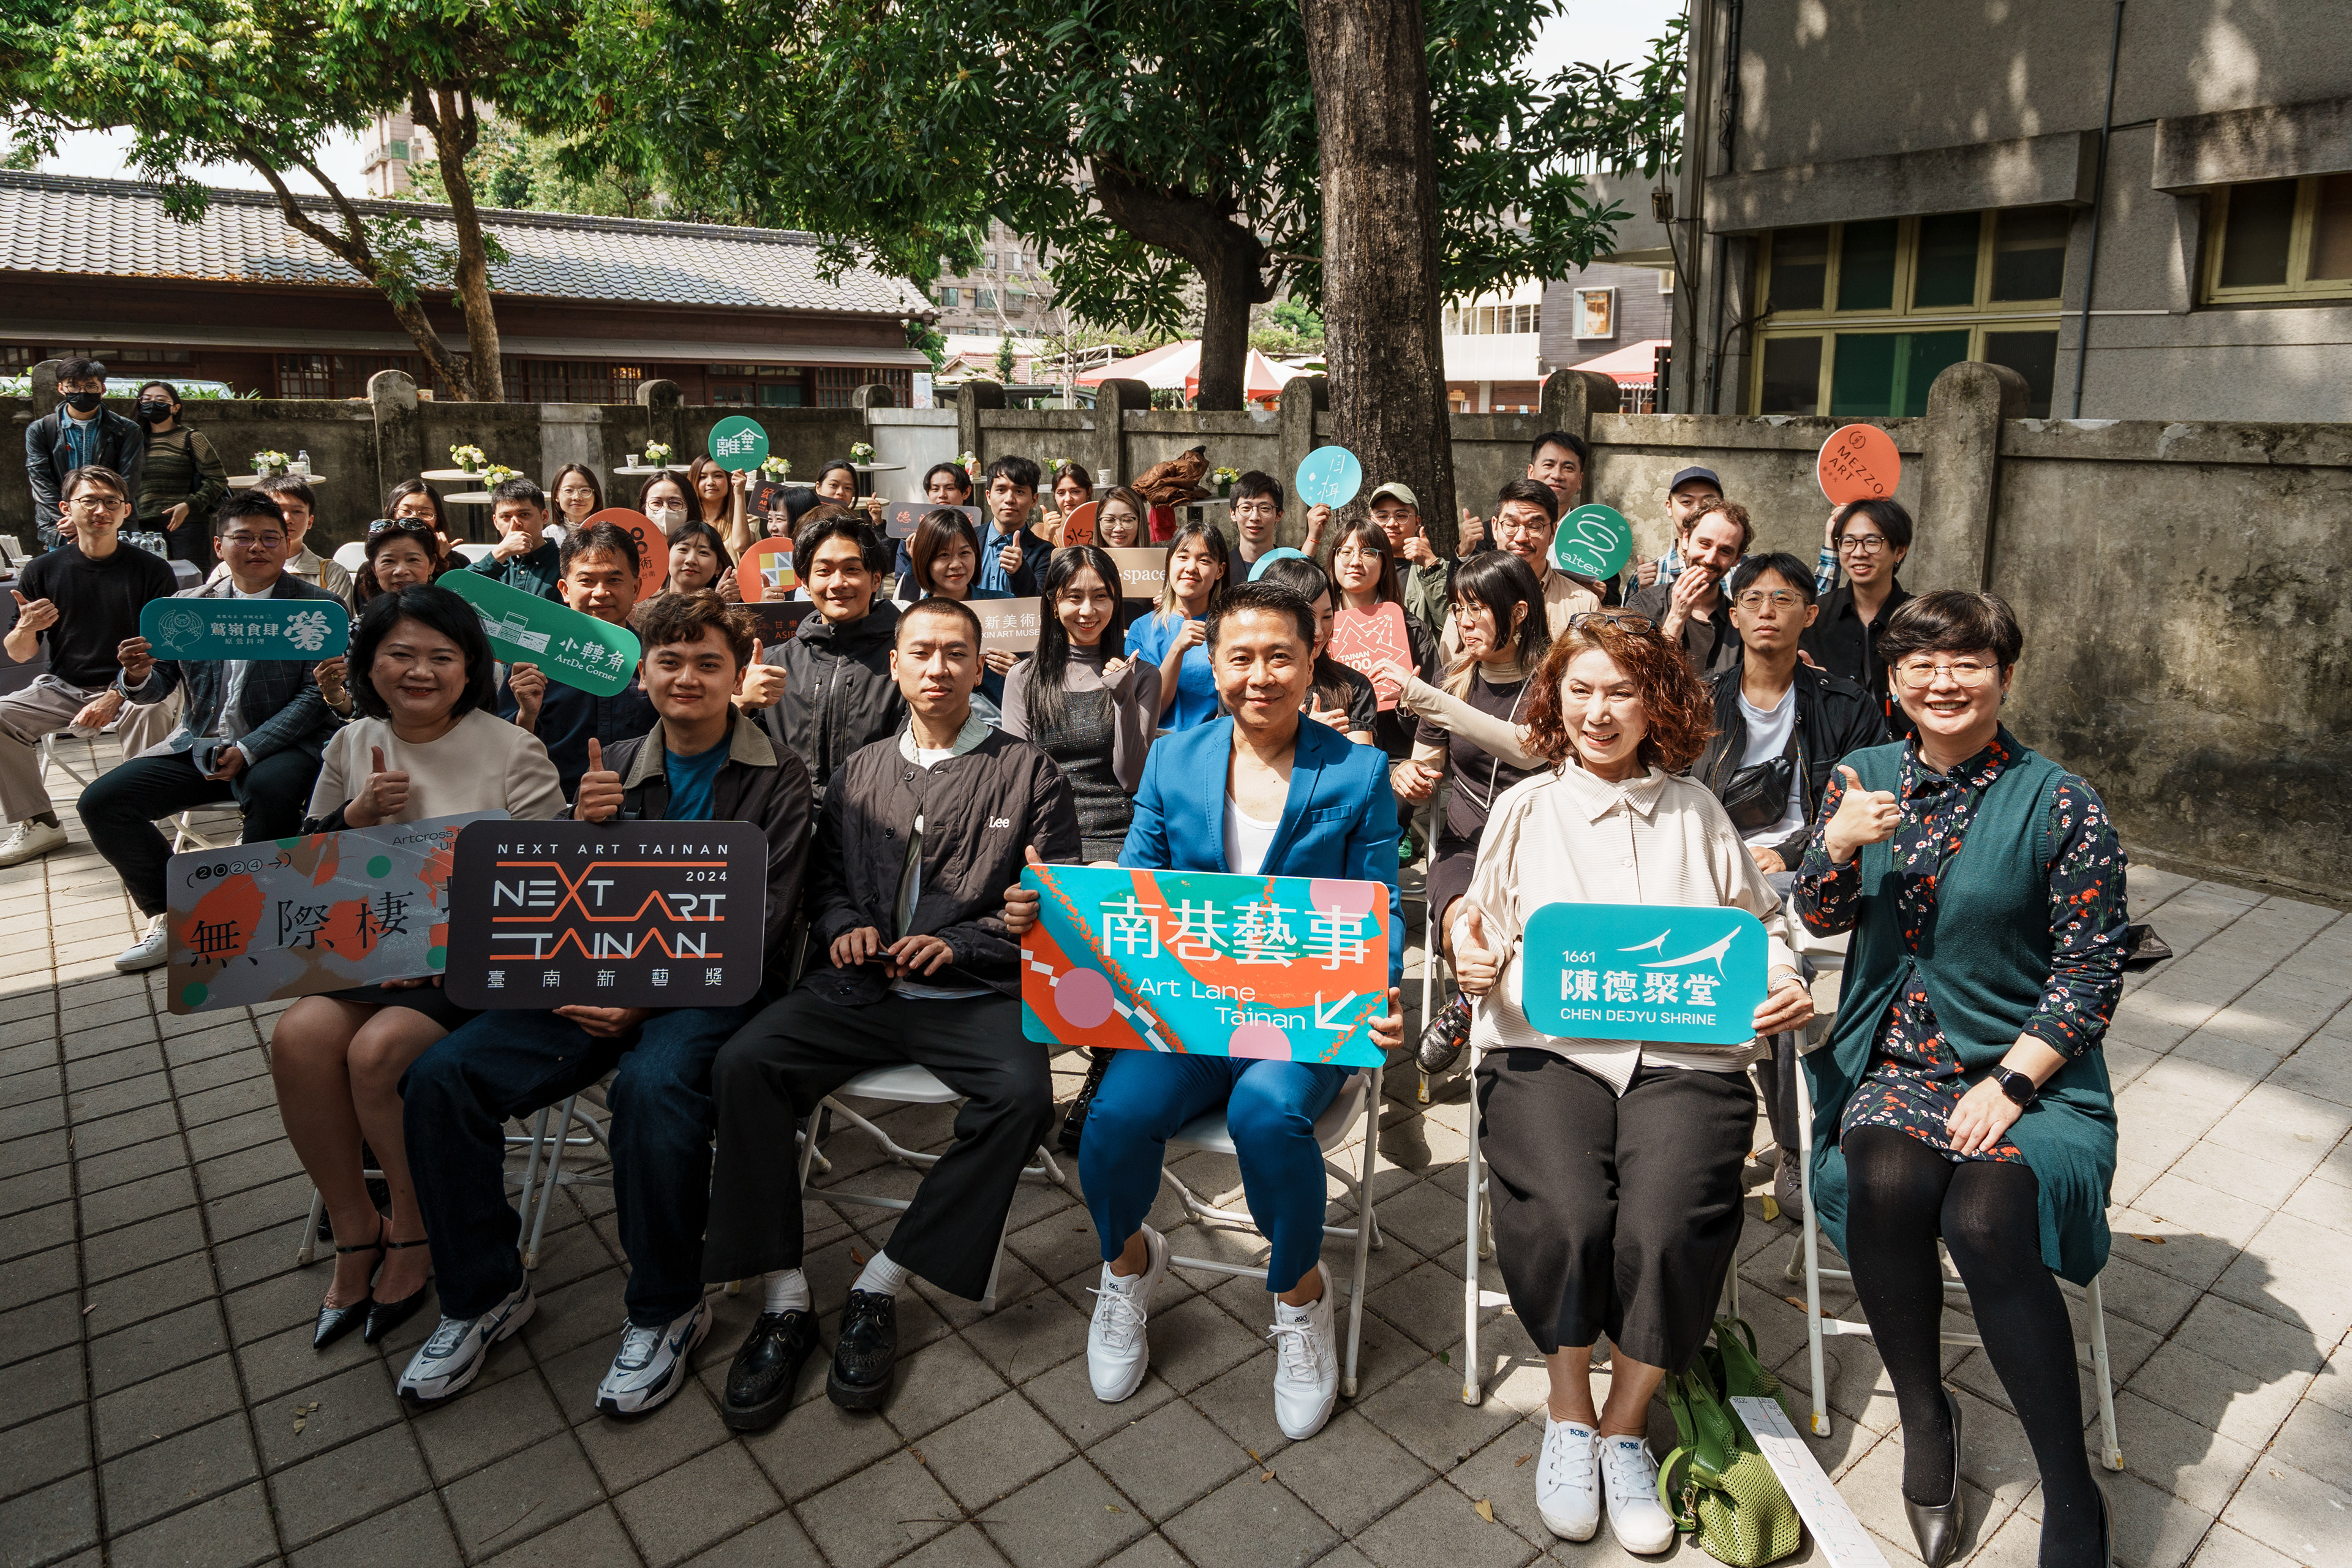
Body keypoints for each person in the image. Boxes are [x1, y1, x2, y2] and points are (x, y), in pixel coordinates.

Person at [1001, 580, 1405, 1442]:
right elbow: (1136, 888)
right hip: (1189, 1012)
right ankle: (1128, 1266)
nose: (1261, 676)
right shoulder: (1175, 758)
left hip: (1304, 1015)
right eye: (1240, 657)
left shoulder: (1359, 771)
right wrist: (1055, 913)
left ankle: (1299, 1295)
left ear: (1312, 663)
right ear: (1212, 666)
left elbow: (1382, 905)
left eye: (1281, 657)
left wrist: (1384, 992)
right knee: (1111, 1119)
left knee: (1267, 1116)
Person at [396, 591, 813, 1411]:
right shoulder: (609, 762)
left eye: (708, 664)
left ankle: (668, 1307)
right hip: (591, 980)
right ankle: (484, 1293)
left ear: (738, 675)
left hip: (710, 993)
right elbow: (556, 895)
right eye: (670, 661)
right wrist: (580, 829)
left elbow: (765, 924)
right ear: (642, 672)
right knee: (441, 1078)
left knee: (652, 1089)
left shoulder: (780, 775)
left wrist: (644, 1004)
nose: (687, 678)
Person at [1450, 611, 1812, 1555]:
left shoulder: (1698, 812)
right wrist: (1467, 948)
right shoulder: (1527, 809)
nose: (1598, 712)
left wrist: (1783, 980)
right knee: (1568, 1213)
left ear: (1658, 704)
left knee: (1666, 1223)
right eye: (1580, 691)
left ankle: (1625, 1425)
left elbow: (1759, 930)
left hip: (1686, 1059)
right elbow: (1479, 921)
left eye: (1621, 692)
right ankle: (1570, 1412)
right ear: (1554, 699)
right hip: (1546, 1051)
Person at [703, 596, 1081, 1430]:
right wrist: (842, 923)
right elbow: (825, 880)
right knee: (743, 1064)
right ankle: (784, 1293)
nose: (938, 667)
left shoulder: (1029, 772)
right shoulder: (861, 770)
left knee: (1023, 1100)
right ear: (896, 665)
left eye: (955, 653)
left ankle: (884, 1280)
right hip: (858, 989)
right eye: (922, 652)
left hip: (974, 991)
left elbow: (1052, 900)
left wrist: (967, 941)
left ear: (979, 667)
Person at [1801, 594, 2122, 1568]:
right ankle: (1926, 1416)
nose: (1943, 682)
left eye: (1968, 663)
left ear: (2004, 676)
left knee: (1984, 1221)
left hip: (2029, 1072)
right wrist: (1837, 843)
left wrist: (2013, 1085)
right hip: (1895, 1062)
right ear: (1895, 681)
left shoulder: (2060, 801)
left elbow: (2090, 971)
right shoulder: (1862, 776)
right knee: (1885, 1182)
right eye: (1921, 665)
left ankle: (2070, 1489)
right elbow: (1819, 915)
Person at [269, 584, 564, 1352]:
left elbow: (550, 882)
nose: (421, 671)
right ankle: (355, 1227)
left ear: (471, 668)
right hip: (369, 952)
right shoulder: (351, 743)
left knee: (378, 1050)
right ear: (369, 663)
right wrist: (354, 819)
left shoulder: (513, 749)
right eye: (400, 653)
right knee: (299, 1037)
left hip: (470, 963)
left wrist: (448, 945)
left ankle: (414, 1228)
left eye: (442, 656)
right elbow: (303, 870)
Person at [1693, 552, 1887, 1213]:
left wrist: (1793, 850)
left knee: (1769, 969)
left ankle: (1796, 1147)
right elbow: (1678, 797)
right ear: (1733, 613)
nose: (1767, 611)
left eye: (1783, 599)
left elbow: (1860, 799)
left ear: (1810, 614)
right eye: (1752, 599)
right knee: (1758, 967)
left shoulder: (1846, 704)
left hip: (1809, 870)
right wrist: (1734, 858)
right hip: (1717, 869)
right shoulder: (1701, 700)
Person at [80, 492, 342, 971]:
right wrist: (136, 673)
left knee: (272, 790)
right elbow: (158, 685)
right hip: (199, 745)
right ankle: (173, 916)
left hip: (284, 745)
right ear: (219, 545)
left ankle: (262, 916)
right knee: (102, 802)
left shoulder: (318, 608)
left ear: (287, 545)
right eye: (244, 538)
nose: (258, 547)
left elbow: (315, 697)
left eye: (270, 538)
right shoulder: (187, 609)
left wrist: (250, 748)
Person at [1000, 545, 1162, 1155]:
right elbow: (1015, 774)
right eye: (1074, 596)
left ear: (1117, 601)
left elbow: (1131, 776)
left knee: (1105, 923)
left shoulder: (1139, 673)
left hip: (1114, 828)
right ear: (1053, 601)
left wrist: (1122, 698)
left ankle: (1105, 1064)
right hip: (1044, 830)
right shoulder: (1024, 677)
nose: (1087, 609)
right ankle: (1023, 1088)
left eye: (1100, 596)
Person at [1384, 552, 1553, 1069]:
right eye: (1458, 608)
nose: (1464, 621)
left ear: (1519, 613)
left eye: (1477, 608)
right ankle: (1474, 1000)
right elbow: (1426, 763)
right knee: (1461, 917)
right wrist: (1408, 775)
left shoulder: (1556, 678)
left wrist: (1427, 698)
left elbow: (1528, 748)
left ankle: (1468, 1007)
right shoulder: (1454, 676)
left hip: (1540, 847)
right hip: (1467, 842)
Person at [0, 466, 178, 867]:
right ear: (66, 508)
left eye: (111, 502)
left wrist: (116, 694)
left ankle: (138, 818)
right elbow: (19, 654)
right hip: (65, 687)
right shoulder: (43, 570)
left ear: (126, 510)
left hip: (140, 685)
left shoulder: (152, 571)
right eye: (90, 501)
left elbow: (166, 654)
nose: (101, 510)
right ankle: (39, 823)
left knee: (150, 709)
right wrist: (26, 628)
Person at [736, 512, 905, 796]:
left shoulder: (906, 660)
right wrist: (740, 705)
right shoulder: (773, 664)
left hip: (876, 813)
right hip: (790, 814)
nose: (838, 583)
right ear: (805, 583)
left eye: (852, 569)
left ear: (876, 579)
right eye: (824, 571)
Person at [496, 521, 658, 797]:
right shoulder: (533, 662)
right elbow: (498, 751)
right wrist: (526, 715)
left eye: (614, 580)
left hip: (644, 806)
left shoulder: (658, 660)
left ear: (636, 587)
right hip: (554, 806)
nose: (600, 592)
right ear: (564, 589)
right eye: (586, 581)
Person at [1439, 480, 1597, 662]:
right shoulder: (1467, 596)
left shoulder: (1583, 604)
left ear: (1553, 532)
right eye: (1511, 524)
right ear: (1495, 528)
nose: (1521, 538)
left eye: (1534, 527)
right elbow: (1451, 669)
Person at [1802, 497, 1917, 733]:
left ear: (1899, 550)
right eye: (1848, 542)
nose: (1859, 553)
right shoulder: (1815, 615)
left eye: (1872, 542)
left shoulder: (1920, 620)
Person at [1253, 556, 1376, 745]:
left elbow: (1362, 760)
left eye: (1327, 617)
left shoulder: (1355, 687)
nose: (1318, 631)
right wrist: (1307, 732)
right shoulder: (1247, 683)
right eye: (1308, 618)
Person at [900, 507, 1015, 709]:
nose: (956, 564)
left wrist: (1019, 670)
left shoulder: (1006, 607)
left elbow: (1038, 675)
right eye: (944, 555)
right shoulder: (914, 621)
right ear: (925, 560)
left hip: (999, 722)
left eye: (964, 553)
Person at [26, 358, 145, 551]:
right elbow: (40, 481)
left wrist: (93, 516)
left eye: (90, 386)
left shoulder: (126, 430)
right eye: (73, 386)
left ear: (102, 389)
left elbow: (129, 479)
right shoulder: (42, 430)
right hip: (63, 528)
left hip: (111, 524)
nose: (82, 392)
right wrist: (74, 519)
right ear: (61, 388)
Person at [1624, 496, 1748, 677]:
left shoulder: (1742, 623)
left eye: (1725, 551)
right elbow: (1635, 679)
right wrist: (1676, 618)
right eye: (1704, 544)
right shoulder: (1643, 606)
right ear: (1686, 539)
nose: (1710, 559)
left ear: (1737, 559)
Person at [1124, 519, 1229, 731]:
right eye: (1183, 557)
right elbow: (1148, 711)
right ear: (1169, 563)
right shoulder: (1142, 629)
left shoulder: (1230, 627)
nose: (1191, 568)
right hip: (1157, 744)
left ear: (1220, 570)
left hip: (1215, 740)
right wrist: (1177, 649)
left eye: (1204, 560)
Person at [129, 381, 228, 573]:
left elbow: (217, 479)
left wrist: (189, 506)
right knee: (150, 578)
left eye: (161, 400)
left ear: (175, 408)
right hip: (144, 527)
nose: (153, 404)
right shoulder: (132, 440)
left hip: (187, 525)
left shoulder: (191, 437)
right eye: (146, 400)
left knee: (192, 578)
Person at [230, 476, 355, 605]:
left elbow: (338, 616)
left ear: (310, 521)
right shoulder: (229, 568)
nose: (287, 519)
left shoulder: (331, 574)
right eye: (277, 510)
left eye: (297, 511)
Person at [1366, 482, 1454, 632]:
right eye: (1382, 516)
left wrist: (1430, 566)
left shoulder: (1442, 570)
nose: (1392, 523)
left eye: (1401, 516)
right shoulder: (1358, 567)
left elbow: (1450, 627)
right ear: (1370, 522)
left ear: (1417, 523)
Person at [469, 477, 564, 599]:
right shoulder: (495, 564)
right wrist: (500, 553)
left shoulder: (566, 564)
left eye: (524, 514)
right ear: (496, 522)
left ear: (544, 517)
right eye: (506, 517)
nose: (516, 523)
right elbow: (457, 591)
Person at [1634, 466, 1725, 590]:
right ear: (1669, 507)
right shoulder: (1647, 575)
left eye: (1708, 502)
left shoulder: (1745, 568)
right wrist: (1644, 593)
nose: (1698, 509)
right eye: (1687, 502)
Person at [889, 459, 981, 582]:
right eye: (935, 489)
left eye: (950, 488)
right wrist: (917, 560)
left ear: (966, 492)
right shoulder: (912, 534)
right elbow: (903, 586)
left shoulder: (980, 533)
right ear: (928, 494)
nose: (942, 495)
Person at [976, 456, 1052, 596]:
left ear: (1034, 500)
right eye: (1001, 490)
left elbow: (1040, 603)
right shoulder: (967, 540)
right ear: (988, 496)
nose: (1009, 499)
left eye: (1019, 492)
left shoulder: (1045, 553)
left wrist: (1020, 571)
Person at [352, 516, 451, 605]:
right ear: (374, 569)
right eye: (389, 561)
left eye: (413, 560)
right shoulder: (366, 619)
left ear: (432, 564)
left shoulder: (451, 616)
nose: (401, 571)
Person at [1228, 470, 1288, 573]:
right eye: (1246, 508)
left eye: (1264, 508)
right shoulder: (1220, 569)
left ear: (1279, 515)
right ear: (1233, 514)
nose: (1255, 517)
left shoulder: (1289, 570)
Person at [664, 519, 736, 598]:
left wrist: (718, 602)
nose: (691, 560)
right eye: (683, 550)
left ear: (718, 567)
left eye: (703, 553)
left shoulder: (723, 604)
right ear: (667, 556)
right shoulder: (652, 603)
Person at [1042, 459, 1094, 544]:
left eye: (1075, 491)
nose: (1068, 499)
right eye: (1061, 493)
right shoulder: (1040, 530)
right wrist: (1048, 536)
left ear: (1089, 492)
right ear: (1054, 496)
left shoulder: (1103, 529)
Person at [550, 462, 604, 532]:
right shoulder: (547, 535)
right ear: (556, 495)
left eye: (585, 490)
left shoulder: (609, 534)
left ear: (595, 496)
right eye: (569, 490)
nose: (577, 497)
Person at [1095, 484, 1148, 549]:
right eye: (1109, 520)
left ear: (1140, 522)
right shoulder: (1086, 555)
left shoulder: (1158, 555)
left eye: (1127, 520)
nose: (1118, 529)